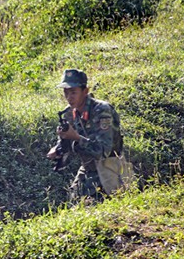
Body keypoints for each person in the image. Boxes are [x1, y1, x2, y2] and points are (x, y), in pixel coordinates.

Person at [47, 69, 131, 202]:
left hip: (109, 168)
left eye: (73, 92)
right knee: (73, 203)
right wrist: (58, 149)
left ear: (85, 91)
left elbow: (103, 151)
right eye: (66, 93)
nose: (69, 97)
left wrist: (76, 137)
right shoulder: (70, 113)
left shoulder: (102, 110)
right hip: (88, 168)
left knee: (102, 208)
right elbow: (68, 141)